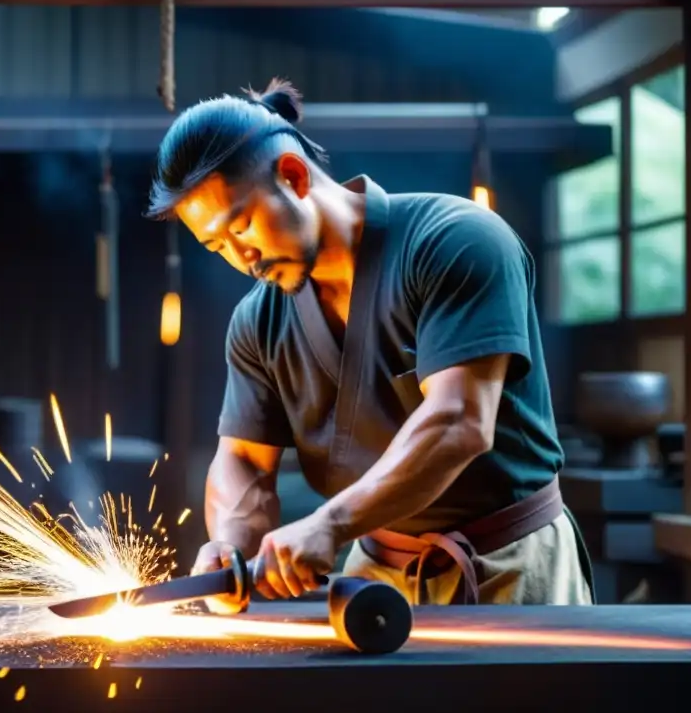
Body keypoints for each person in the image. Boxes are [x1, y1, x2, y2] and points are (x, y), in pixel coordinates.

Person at [146, 78, 593, 607]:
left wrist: (329, 524)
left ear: (292, 176)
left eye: (241, 226)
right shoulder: (256, 323)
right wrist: (228, 546)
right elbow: (242, 458)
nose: (241, 257)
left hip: (511, 564)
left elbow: (460, 421)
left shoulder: (455, 240)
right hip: (373, 573)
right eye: (216, 244)